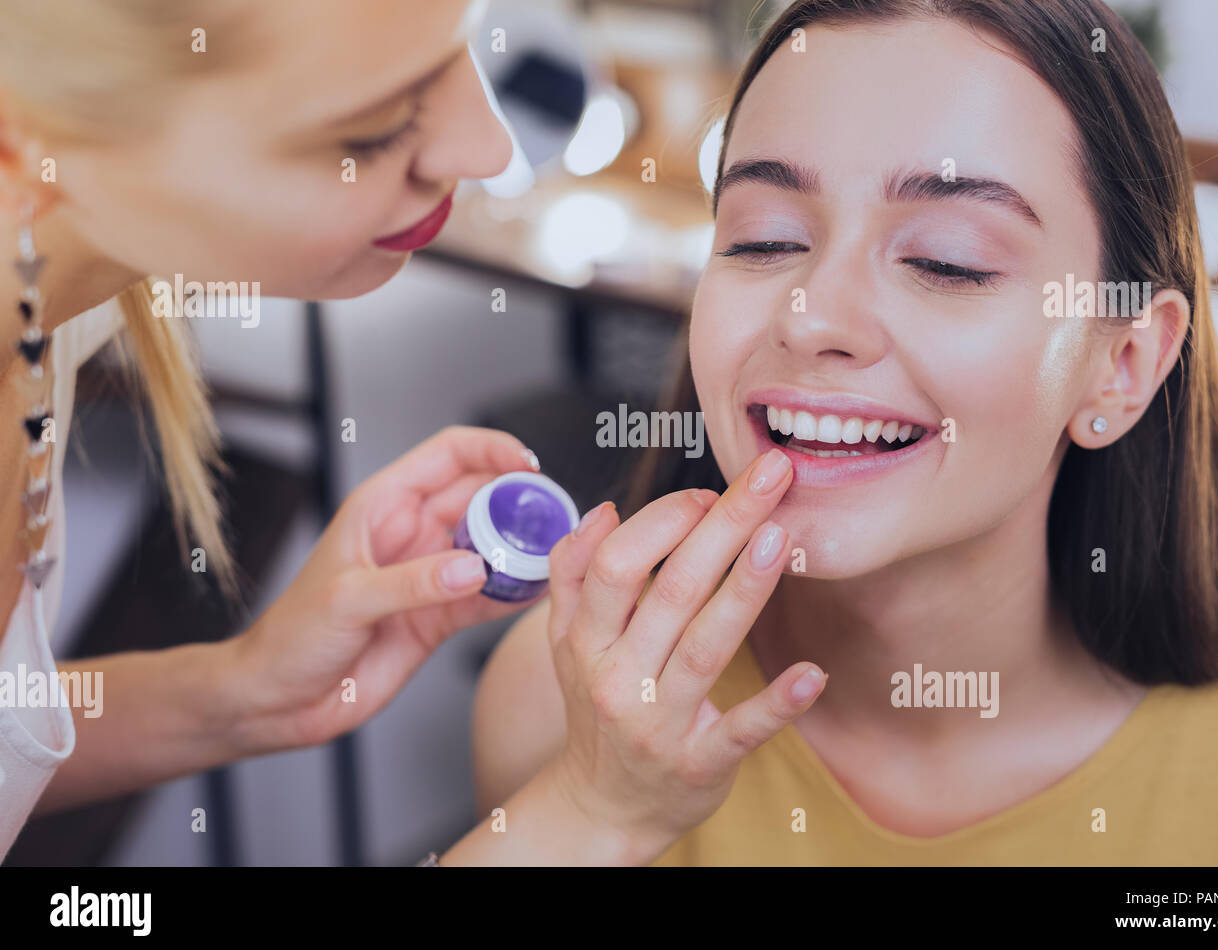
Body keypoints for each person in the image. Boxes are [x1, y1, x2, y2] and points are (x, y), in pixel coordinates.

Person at [474, 0, 1218, 864]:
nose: (812, 316)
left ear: (1122, 366)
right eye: (764, 240)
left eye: (947, 261)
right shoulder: (564, 698)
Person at [2, 0, 817, 866]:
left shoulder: (42, 299)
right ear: (27, 154)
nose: (489, 149)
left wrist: (241, 691)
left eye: (461, 47)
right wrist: (593, 814)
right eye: (375, 129)